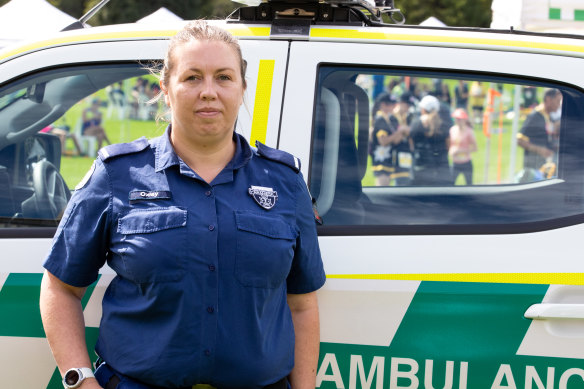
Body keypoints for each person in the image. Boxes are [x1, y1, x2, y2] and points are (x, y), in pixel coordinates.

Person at [39, 20, 326, 389]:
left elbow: (302, 303)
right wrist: (80, 382)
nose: (208, 91)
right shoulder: (116, 175)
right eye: (192, 77)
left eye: (223, 77)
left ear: (242, 88)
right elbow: (60, 287)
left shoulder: (284, 181)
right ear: (166, 89)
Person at [409, 95, 451, 186]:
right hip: (441, 167)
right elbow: (448, 145)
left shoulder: (416, 123)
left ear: (423, 109)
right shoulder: (443, 124)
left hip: (421, 166)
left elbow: (411, 145)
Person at [517, 88, 562, 171]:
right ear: (548, 99)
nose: (559, 105)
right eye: (558, 101)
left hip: (544, 166)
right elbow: (519, 140)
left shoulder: (549, 117)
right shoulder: (535, 116)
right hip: (533, 167)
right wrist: (540, 150)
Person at [369, 93, 407, 186]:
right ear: (383, 105)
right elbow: (383, 141)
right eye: (391, 104)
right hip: (381, 160)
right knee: (382, 188)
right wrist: (399, 132)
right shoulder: (380, 119)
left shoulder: (390, 118)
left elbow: (396, 141)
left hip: (389, 159)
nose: (394, 107)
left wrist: (401, 133)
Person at [449, 108, 477, 185]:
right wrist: (451, 151)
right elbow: (450, 145)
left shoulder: (469, 131)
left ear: (464, 120)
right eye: (456, 119)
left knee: (469, 184)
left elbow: (475, 148)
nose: (457, 121)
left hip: (466, 162)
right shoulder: (452, 130)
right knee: (451, 183)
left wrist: (461, 151)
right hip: (455, 162)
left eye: (459, 119)